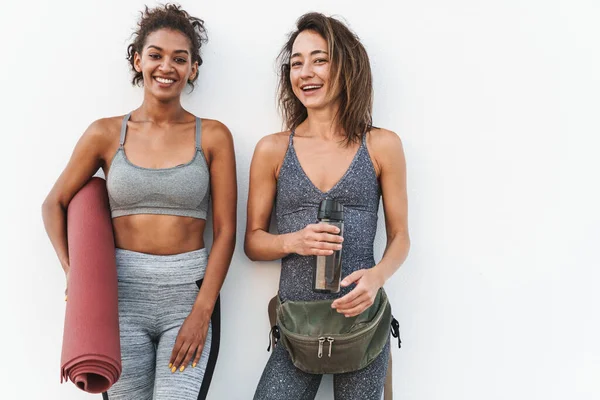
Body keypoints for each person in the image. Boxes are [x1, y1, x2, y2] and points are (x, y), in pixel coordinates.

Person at [41, 4, 237, 399]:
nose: (167, 66)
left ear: (192, 68)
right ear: (138, 60)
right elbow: (54, 204)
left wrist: (202, 311)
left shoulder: (214, 136)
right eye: (156, 55)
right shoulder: (105, 134)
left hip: (188, 297)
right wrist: (74, 273)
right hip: (119, 302)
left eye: (179, 58)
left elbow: (227, 230)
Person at [245, 12, 409, 400]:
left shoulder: (381, 144)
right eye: (297, 63)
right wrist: (293, 242)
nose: (306, 72)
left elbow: (401, 237)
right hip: (296, 326)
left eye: (319, 59)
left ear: (345, 65)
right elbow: (253, 242)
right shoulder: (272, 149)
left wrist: (377, 277)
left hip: (361, 325)